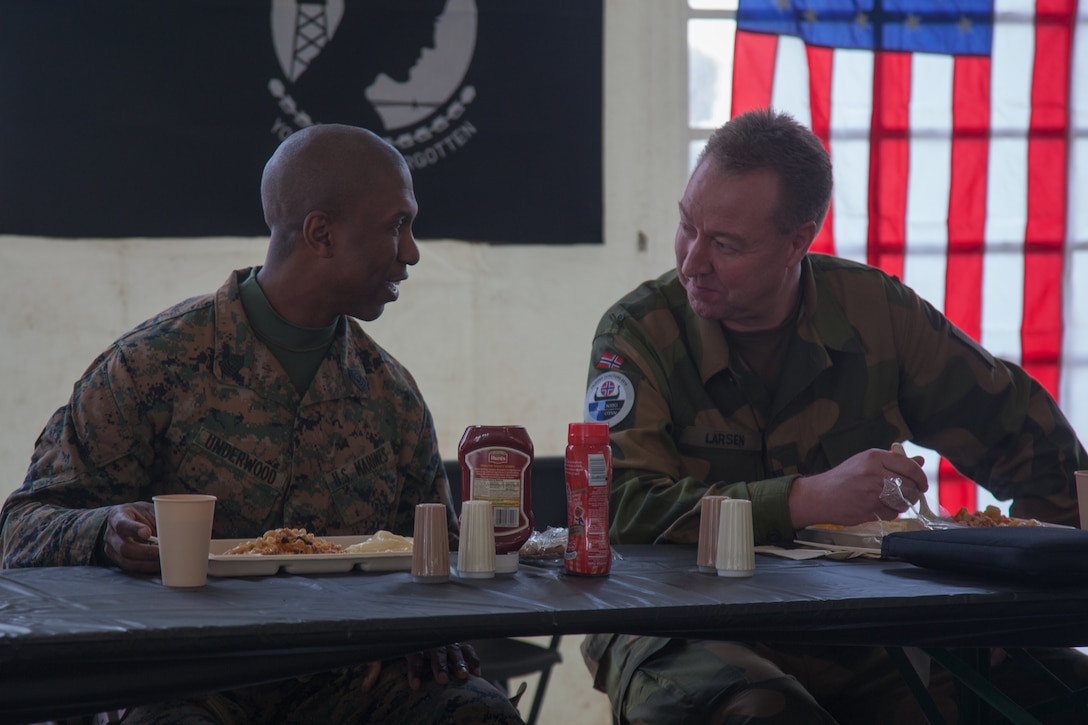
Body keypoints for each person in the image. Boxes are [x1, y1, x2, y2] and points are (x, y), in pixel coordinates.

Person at [0, 123, 524, 725]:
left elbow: (440, 551)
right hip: (189, 676)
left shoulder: (390, 395)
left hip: (348, 681)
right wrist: (104, 531)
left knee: (478, 716)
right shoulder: (152, 367)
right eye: (395, 226)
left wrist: (437, 626)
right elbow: (23, 530)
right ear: (320, 233)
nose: (411, 252)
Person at [580, 108, 1088, 724]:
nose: (691, 262)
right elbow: (622, 508)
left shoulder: (875, 315)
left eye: (726, 245)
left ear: (799, 240)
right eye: (687, 226)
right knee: (760, 712)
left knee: (1011, 692)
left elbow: (1031, 441)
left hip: (850, 620)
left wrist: (1023, 607)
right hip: (674, 617)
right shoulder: (641, 332)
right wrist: (806, 498)